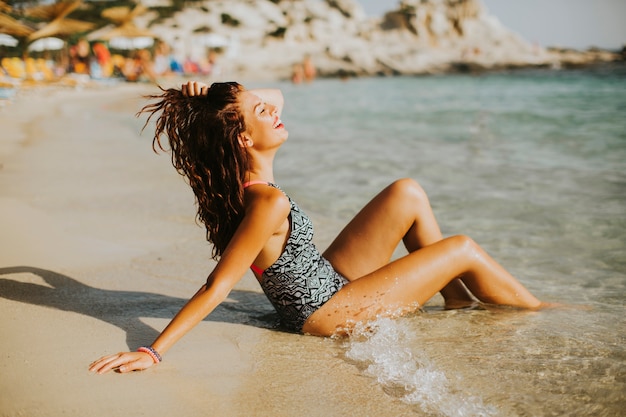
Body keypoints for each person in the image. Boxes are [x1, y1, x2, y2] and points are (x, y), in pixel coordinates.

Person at [89, 81, 546, 374]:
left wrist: (214, 92)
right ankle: (540, 313)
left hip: (327, 281)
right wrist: (152, 350)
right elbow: (216, 286)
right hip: (325, 315)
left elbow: (277, 95)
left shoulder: (252, 186)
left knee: (405, 192)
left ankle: (455, 299)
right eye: (260, 112)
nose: (274, 109)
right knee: (461, 247)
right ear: (244, 139)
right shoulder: (266, 201)